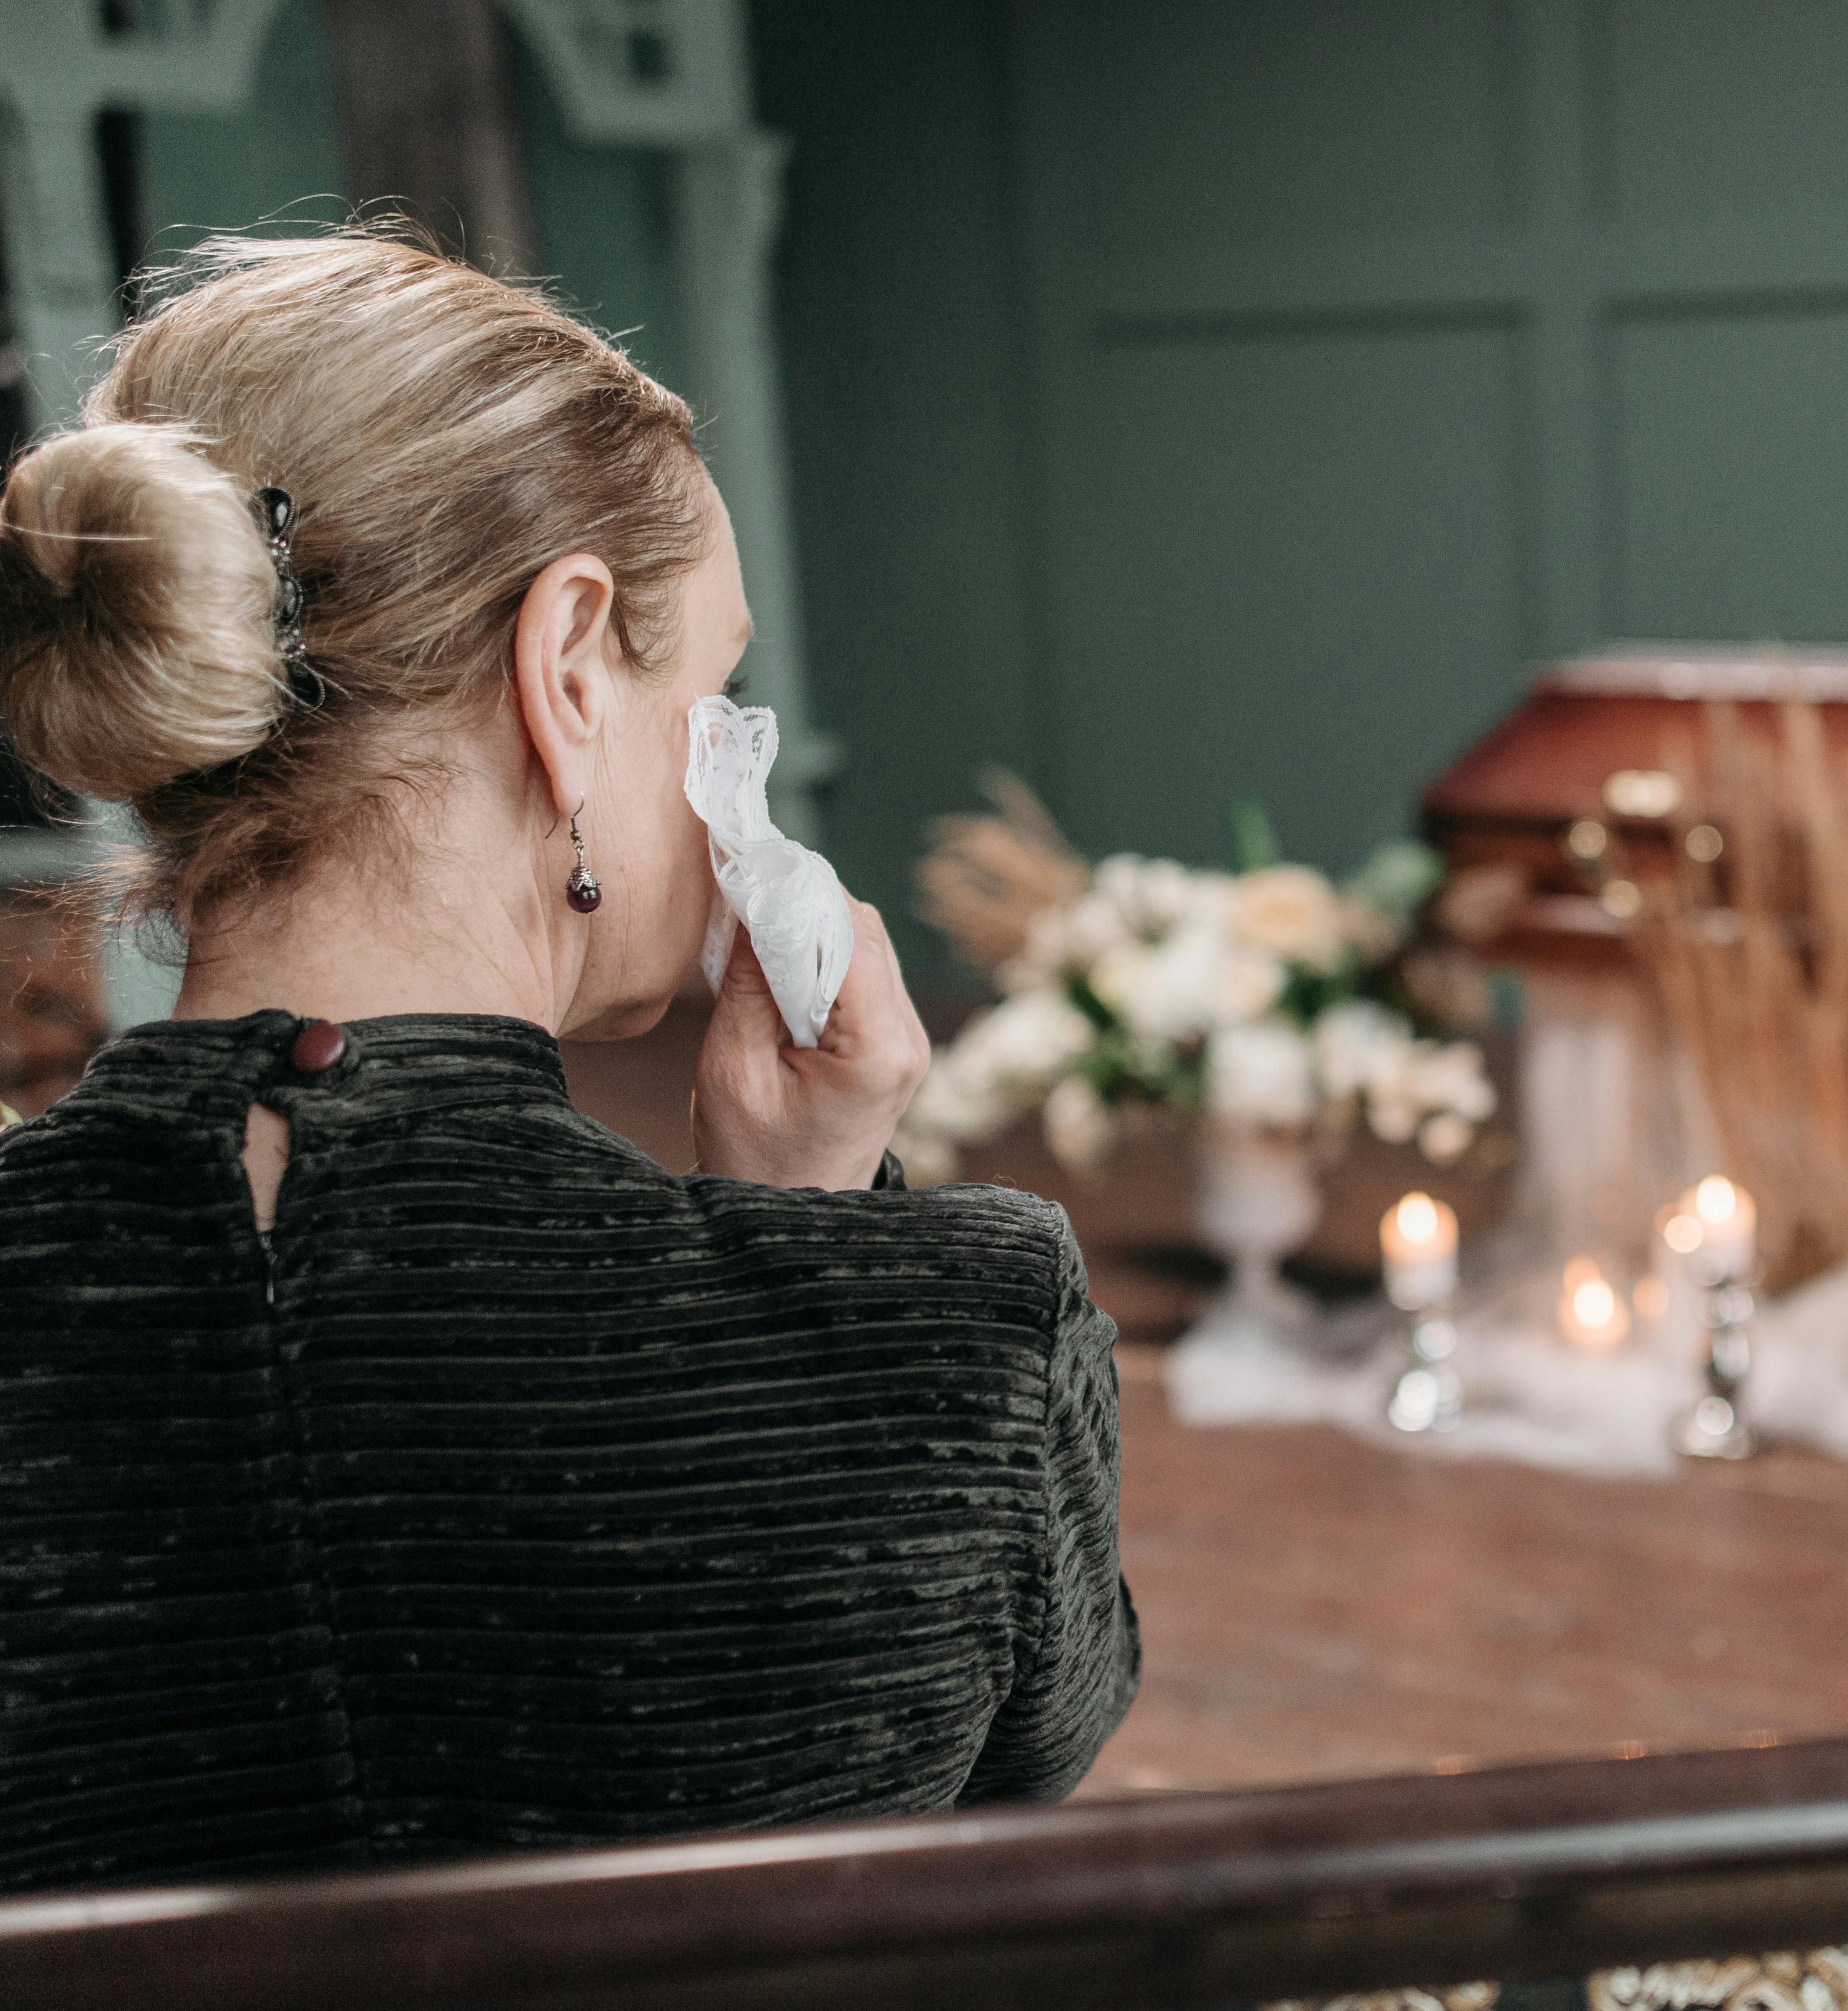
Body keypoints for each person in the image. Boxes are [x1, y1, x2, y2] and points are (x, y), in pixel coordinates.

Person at [0, 232, 1137, 1893]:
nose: (730, 748)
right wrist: (818, 1255)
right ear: (568, 669)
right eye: (713, 682)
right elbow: (1009, 1779)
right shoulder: (949, 1339)